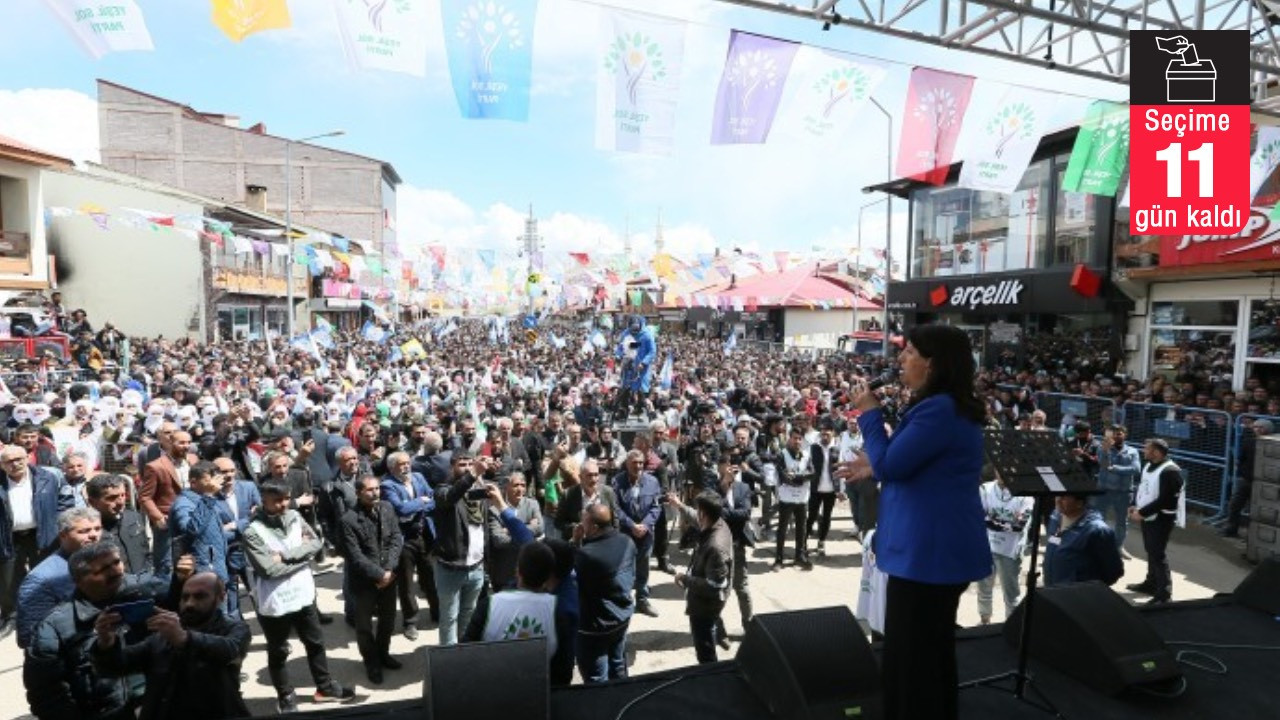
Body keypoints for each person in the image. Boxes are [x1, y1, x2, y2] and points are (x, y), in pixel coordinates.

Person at [842, 324, 992, 720]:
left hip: (929, 556)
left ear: (933, 364)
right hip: (937, 552)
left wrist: (870, 417)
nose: (901, 360)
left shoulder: (939, 410)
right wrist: (875, 464)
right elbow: (918, 467)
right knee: (932, 654)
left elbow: (894, 464)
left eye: (909, 352)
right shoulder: (949, 407)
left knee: (910, 660)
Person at [242, 481, 355, 712]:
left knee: (315, 643)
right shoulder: (253, 531)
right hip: (276, 600)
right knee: (279, 650)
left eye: (286, 498)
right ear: (263, 501)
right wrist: (303, 561)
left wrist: (285, 556)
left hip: (303, 594)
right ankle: (285, 695)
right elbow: (268, 570)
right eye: (277, 500)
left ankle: (324, 687)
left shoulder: (294, 516)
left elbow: (315, 543)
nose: (283, 504)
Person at [90, 571, 252, 720]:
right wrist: (106, 642)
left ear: (221, 597)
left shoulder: (233, 628)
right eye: (185, 597)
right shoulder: (162, 636)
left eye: (200, 596)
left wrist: (184, 638)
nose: (189, 604)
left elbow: (231, 651)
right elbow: (114, 667)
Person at [340, 475, 404, 684]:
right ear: (358, 493)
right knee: (364, 626)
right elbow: (355, 556)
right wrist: (379, 575)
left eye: (377, 489)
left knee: (387, 621)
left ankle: (383, 654)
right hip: (364, 582)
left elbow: (396, 538)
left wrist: (389, 570)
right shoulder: (348, 520)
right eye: (369, 490)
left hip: (389, 576)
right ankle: (371, 661)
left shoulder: (387, 508)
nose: (375, 493)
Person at [1, 443, 70, 636]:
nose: (14, 464)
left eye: (18, 459)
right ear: (2, 465)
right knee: (8, 580)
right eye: (9, 461)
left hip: (42, 536)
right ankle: (11, 616)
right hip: (9, 537)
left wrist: (58, 524)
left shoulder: (47, 477)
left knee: (46, 575)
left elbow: (64, 502)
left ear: (26, 458)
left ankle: (51, 612)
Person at [16, 507, 103, 648]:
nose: (94, 535)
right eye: (84, 531)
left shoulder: (105, 560)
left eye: (97, 528)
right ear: (63, 535)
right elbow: (29, 637)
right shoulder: (41, 579)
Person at [432, 451, 492, 646]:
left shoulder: (475, 490)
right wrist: (474, 473)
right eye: (462, 464)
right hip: (451, 569)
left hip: (476, 568)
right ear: (452, 467)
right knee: (449, 618)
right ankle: (448, 660)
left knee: (468, 615)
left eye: (470, 464)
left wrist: (482, 479)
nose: (467, 468)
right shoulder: (442, 490)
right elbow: (452, 496)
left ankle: (464, 653)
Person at [463, 542, 560, 660]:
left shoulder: (489, 605)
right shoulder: (558, 609)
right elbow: (563, 667)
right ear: (549, 577)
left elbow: (465, 653)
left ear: (518, 572)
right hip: (539, 678)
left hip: (492, 675)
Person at [573, 502, 635, 683]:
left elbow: (571, 576)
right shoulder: (627, 541)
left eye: (584, 520)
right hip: (622, 617)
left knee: (596, 677)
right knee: (618, 665)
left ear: (593, 526)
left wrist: (576, 542)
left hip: (596, 628)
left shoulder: (586, 555)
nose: (581, 524)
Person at [668, 491, 732, 663]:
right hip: (706, 603)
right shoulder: (717, 522)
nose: (697, 514)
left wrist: (685, 578)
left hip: (705, 606)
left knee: (705, 652)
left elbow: (714, 586)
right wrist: (680, 506)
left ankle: (711, 680)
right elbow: (696, 517)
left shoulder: (716, 547)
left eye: (699, 510)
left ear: (704, 513)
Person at [380, 451, 437, 640]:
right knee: (406, 584)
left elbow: (434, 500)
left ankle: (437, 612)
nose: (406, 467)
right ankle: (411, 622)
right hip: (405, 540)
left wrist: (415, 505)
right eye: (401, 464)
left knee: (430, 577)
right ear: (391, 467)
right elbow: (400, 509)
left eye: (408, 463)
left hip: (424, 535)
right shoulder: (387, 485)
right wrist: (421, 501)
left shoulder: (418, 477)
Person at [1127, 439, 1185, 605]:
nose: (1144, 451)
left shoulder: (1170, 471)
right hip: (1148, 516)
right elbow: (1143, 487)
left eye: (1148, 449)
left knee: (1158, 554)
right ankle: (1151, 583)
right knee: (1150, 550)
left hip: (1161, 519)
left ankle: (1164, 593)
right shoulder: (1149, 465)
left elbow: (1166, 500)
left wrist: (1142, 513)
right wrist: (1134, 505)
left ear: (1157, 452)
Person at [609, 450, 662, 617]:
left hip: (646, 534)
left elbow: (656, 506)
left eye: (641, 463)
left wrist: (645, 525)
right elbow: (615, 507)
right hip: (625, 533)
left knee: (643, 567)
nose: (638, 466)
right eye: (635, 463)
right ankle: (625, 602)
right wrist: (632, 525)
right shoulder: (617, 482)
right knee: (625, 568)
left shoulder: (652, 482)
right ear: (627, 464)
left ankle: (642, 599)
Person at [975, 474, 1034, 624]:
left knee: (1011, 593)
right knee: (984, 588)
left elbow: (1019, 525)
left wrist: (991, 519)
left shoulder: (1025, 493)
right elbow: (979, 517)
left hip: (1010, 550)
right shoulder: (985, 489)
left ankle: (1012, 625)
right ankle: (984, 620)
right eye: (998, 468)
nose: (1002, 473)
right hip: (986, 546)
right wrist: (1006, 522)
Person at [139, 429, 196, 577]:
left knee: (191, 560)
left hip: (193, 518)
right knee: (166, 564)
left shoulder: (194, 461)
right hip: (167, 521)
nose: (186, 446)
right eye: (182, 442)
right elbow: (145, 497)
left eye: (189, 442)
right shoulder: (156, 466)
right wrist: (158, 518)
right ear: (170, 443)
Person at [1043, 493, 1124, 586]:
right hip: (1051, 590)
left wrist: (1086, 590)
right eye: (1057, 495)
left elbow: (1113, 571)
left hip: (1075, 597)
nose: (1058, 500)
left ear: (1079, 503)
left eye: (1064, 497)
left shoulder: (1097, 531)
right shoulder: (1055, 516)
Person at [169, 461, 229, 586]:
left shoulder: (208, 500)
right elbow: (192, 530)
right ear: (193, 482)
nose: (214, 485)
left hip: (218, 572)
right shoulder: (184, 503)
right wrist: (208, 496)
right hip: (201, 577)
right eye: (209, 481)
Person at [86, 474, 150, 574]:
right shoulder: (86, 532)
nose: (121, 502)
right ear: (92, 502)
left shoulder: (134, 518)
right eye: (112, 498)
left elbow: (146, 553)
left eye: (123, 495)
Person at [1095, 424, 1141, 554]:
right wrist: (1105, 451)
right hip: (1104, 490)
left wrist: (1115, 468)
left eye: (1119, 433)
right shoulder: (1103, 448)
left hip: (1123, 492)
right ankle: (1100, 544)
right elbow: (1103, 465)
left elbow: (1136, 469)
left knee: (1122, 521)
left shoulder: (1133, 451)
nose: (1116, 436)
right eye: (1114, 433)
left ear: (1125, 435)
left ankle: (1118, 546)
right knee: (1099, 519)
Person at [773, 427, 814, 570]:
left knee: (801, 528)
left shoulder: (807, 454)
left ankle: (799, 556)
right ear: (789, 438)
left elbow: (812, 473)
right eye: (794, 438)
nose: (797, 441)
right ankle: (778, 558)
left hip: (802, 498)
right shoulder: (782, 454)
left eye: (799, 438)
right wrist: (801, 478)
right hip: (786, 497)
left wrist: (798, 477)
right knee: (782, 528)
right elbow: (783, 476)